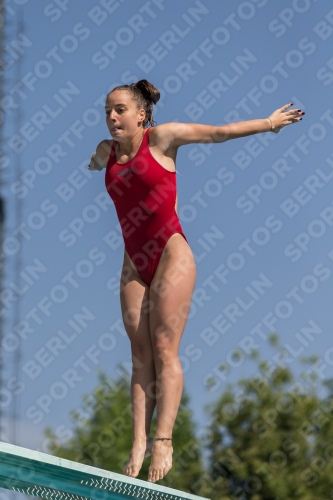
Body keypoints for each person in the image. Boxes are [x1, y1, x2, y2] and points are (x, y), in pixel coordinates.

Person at [88, 79, 304, 483]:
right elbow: (99, 162)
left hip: (171, 253)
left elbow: (219, 133)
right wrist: (96, 162)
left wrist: (270, 123)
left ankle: (163, 440)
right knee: (139, 356)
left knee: (164, 347)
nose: (111, 117)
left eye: (119, 110)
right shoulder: (107, 151)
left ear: (141, 114)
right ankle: (138, 441)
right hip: (134, 263)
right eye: (107, 111)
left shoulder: (164, 138)